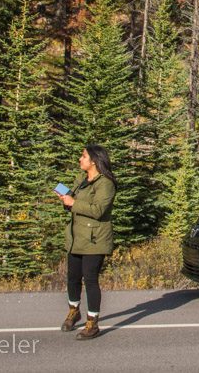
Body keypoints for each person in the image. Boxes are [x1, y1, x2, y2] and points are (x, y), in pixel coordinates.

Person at [56, 145, 117, 340]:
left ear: (94, 161)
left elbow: (98, 210)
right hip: (76, 238)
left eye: (83, 156)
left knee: (90, 279)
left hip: (95, 239)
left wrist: (73, 203)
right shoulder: (82, 181)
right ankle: (74, 311)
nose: (79, 159)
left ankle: (93, 323)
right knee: (73, 277)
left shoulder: (105, 183)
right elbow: (76, 205)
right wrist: (67, 200)